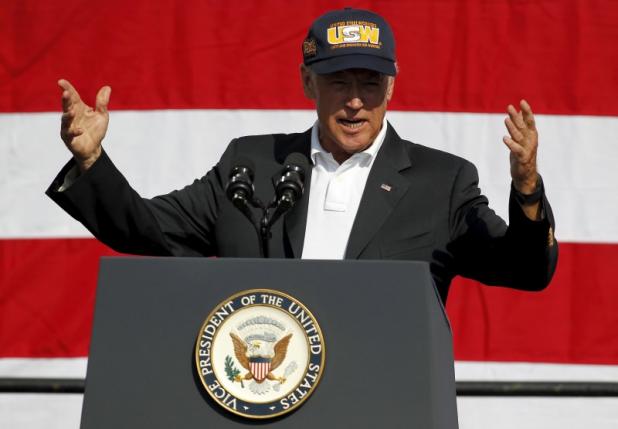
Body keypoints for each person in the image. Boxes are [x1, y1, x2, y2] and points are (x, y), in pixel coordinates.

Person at [47, 8, 557, 303]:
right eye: (339, 82)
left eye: (369, 83)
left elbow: (526, 269)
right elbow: (146, 230)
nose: (355, 99)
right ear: (307, 82)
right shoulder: (250, 166)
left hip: (382, 403)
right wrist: (92, 162)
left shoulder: (439, 181)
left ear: (392, 88)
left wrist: (527, 187)